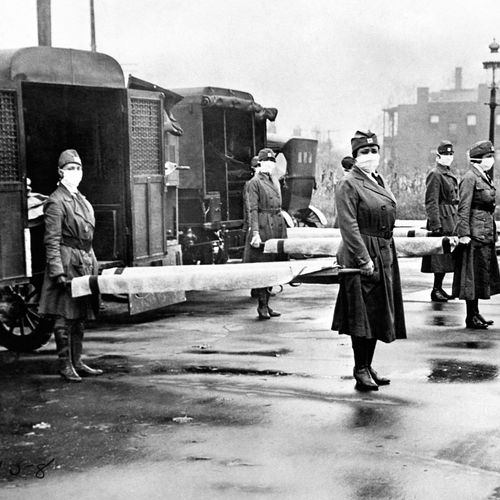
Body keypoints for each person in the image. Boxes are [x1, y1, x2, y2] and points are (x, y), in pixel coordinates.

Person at [332, 130, 406, 391]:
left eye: (374, 151)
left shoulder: (377, 179)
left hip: (382, 249)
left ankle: (368, 364)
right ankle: (359, 367)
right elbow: (348, 225)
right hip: (361, 252)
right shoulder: (348, 183)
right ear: (355, 156)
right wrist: (364, 259)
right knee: (361, 316)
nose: (371, 156)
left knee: (376, 312)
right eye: (365, 152)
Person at [39, 149, 102, 382]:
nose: (75, 172)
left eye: (78, 168)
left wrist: (93, 263)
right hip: (67, 262)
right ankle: (65, 365)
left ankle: (77, 361)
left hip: (83, 260)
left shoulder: (81, 199)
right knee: (64, 317)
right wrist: (57, 271)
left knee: (80, 315)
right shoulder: (56, 201)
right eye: (70, 168)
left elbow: (87, 235)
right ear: (60, 172)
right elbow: (52, 240)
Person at [452, 140, 500, 329]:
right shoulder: (470, 178)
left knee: (479, 275)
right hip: (473, 234)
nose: (491, 160)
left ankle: (475, 313)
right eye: (488, 157)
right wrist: (464, 233)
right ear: (478, 159)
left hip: (484, 233)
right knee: (470, 277)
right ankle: (470, 316)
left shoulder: (483, 176)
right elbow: (463, 207)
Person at [244, 148, 287, 319]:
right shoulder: (254, 182)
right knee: (264, 267)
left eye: (272, 161)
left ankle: (267, 304)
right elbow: (252, 209)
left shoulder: (273, 180)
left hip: (276, 224)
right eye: (266, 161)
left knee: (275, 266)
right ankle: (262, 306)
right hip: (263, 226)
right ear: (260, 163)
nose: (270, 164)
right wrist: (255, 232)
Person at [421, 140, 459, 302]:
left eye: (450, 154)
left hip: (451, 217)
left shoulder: (447, 173)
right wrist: (435, 223)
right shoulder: (435, 174)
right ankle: (436, 289)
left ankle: (439, 288)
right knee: (439, 258)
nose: (448, 157)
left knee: (446, 257)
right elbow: (431, 201)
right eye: (445, 154)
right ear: (438, 156)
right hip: (442, 218)